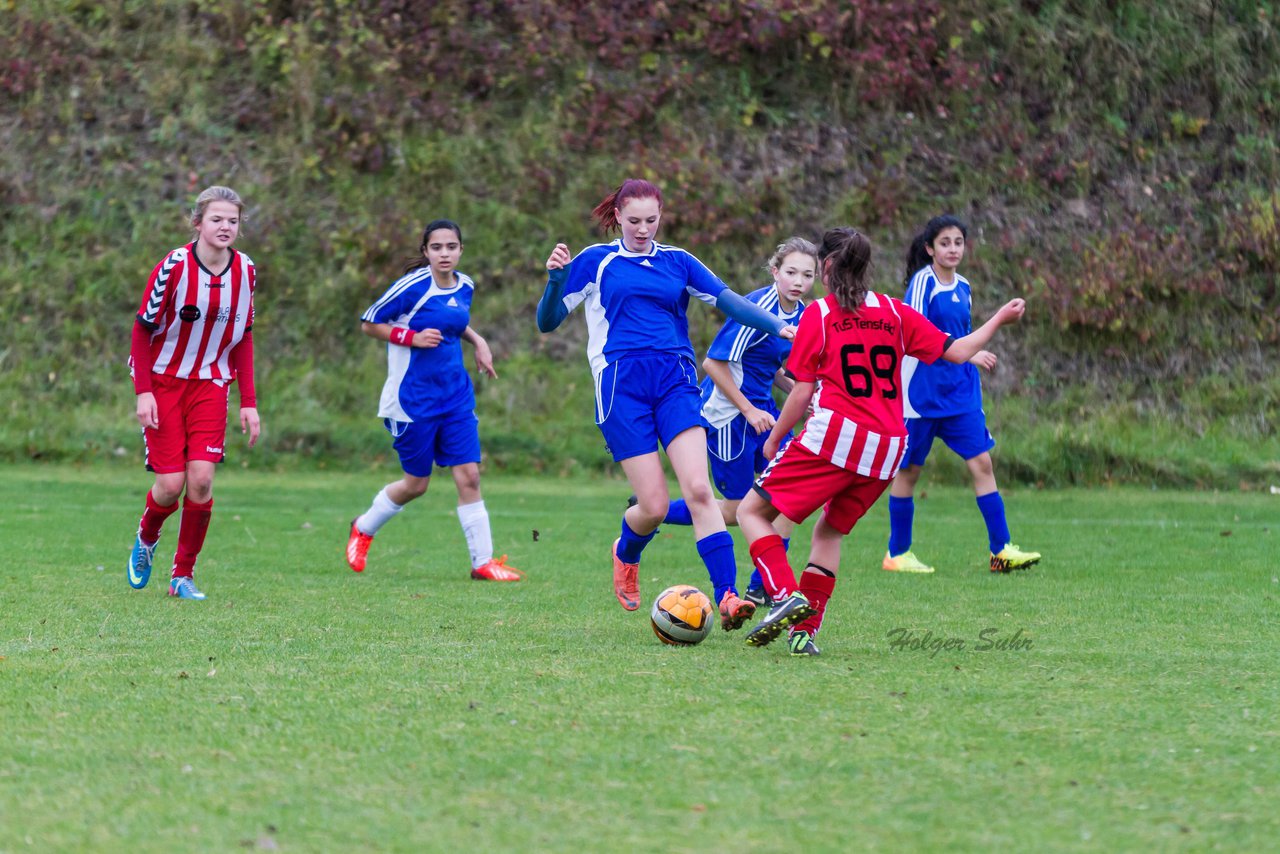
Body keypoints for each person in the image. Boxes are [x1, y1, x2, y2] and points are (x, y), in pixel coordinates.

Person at [736, 227, 1027, 655]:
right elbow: (960, 351)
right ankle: (805, 635)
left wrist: (774, 439)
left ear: (829, 268)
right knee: (829, 533)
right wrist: (999, 318)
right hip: (887, 448)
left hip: (834, 439)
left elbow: (800, 391)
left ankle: (783, 595)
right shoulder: (893, 311)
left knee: (750, 512)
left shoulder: (818, 315)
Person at [537, 179, 795, 629]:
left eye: (651, 220)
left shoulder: (678, 261)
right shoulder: (596, 262)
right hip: (621, 387)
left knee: (699, 491)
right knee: (653, 506)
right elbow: (548, 321)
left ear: (661, 216)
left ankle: (729, 596)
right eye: (633, 220)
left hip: (675, 380)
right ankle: (626, 551)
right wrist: (556, 280)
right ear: (617, 215)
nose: (642, 229)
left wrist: (779, 326)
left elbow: (730, 302)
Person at [345, 219, 522, 582]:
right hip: (413, 401)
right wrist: (409, 337)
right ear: (425, 251)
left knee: (470, 476)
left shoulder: (466, 284)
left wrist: (480, 342)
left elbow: (455, 321)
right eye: (437, 247)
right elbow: (369, 323)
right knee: (416, 484)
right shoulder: (412, 286)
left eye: (452, 247)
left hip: (455, 396)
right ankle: (363, 527)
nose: (445, 253)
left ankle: (483, 562)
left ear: (460, 250)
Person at [655, 237, 818, 608]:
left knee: (786, 497)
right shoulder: (757, 308)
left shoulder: (803, 314)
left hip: (764, 412)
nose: (798, 281)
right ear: (775, 272)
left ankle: (761, 586)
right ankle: (655, 510)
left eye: (807, 275)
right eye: (791, 272)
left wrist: (796, 391)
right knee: (737, 509)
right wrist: (748, 410)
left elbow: (767, 365)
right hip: (728, 417)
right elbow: (713, 363)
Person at [882, 215, 1041, 575]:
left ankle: (1000, 551)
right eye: (945, 243)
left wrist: (972, 353)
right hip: (921, 394)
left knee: (982, 463)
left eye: (958, 242)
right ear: (930, 249)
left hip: (960, 391)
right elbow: (913, 333)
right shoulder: (924, 282)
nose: (953, 249)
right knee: (908, 472)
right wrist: (987, 328)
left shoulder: (964, 285)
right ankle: (897, 553)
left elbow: (961, 335)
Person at [125, 185, 260, 601]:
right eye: (216, 219)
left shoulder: (247, 271)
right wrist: (143, 392)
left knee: (200, 481)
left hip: (211, 384)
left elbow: (244, 337)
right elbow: (141, 330)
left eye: (232, 221)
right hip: (164, 382)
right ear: (198, 222)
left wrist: (250, 403)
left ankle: (182, 576)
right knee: (170, 485)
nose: (225, 227)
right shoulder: (174, 267)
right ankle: (147, 537)